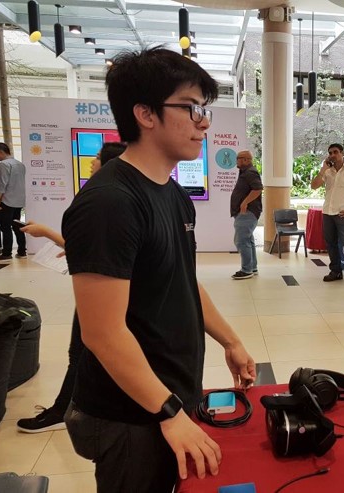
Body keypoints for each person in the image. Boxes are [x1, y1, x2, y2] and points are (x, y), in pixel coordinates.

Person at [61, 47, 256, 492]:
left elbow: (183, 283)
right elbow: (102, 333)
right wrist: (167, 412)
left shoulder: (173, 194)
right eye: (191, 108)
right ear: (145, 114)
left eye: (204, 109)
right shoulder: (110, 203)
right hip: (130, 413)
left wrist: (231, 340)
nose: (204, 122)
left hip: (166, 396)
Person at [16, 142, 127, 433]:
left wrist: (48, 233)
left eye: (98, 158)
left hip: (102, 293)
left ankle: (63, 411)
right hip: (104, 288)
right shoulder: (112, 197)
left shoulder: (105, 199)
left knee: (80, 353)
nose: (92, 162)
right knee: (86, 353)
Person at [310, 143, 344, 282]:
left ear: (342, 153)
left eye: (335, 152)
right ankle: (336, 271)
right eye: (330, 152)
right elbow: (314, 186)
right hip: (327, 213)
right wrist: (322, 170)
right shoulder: (327, 171)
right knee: (330, 244)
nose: (332, 155)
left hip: (342, 214)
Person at [230, 150, 263, 280]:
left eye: (238, 158)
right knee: (248, 240)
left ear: (246, 160)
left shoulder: (250, 172)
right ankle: (252, 267)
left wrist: (244, 203)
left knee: (241, 240)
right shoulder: (245, 172)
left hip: (247, 213)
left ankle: (246, 269)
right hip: (246, 213)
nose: (236, 161)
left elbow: (258, 189)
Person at [0, 143, 26, 262]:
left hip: (7, 200)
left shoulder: (4, 164)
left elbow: (2, 183)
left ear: (1, 152)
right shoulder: (20, 164)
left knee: (5, 227)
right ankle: (22, 251)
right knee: (17, 226)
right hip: (19, 200)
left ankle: (6, 253)